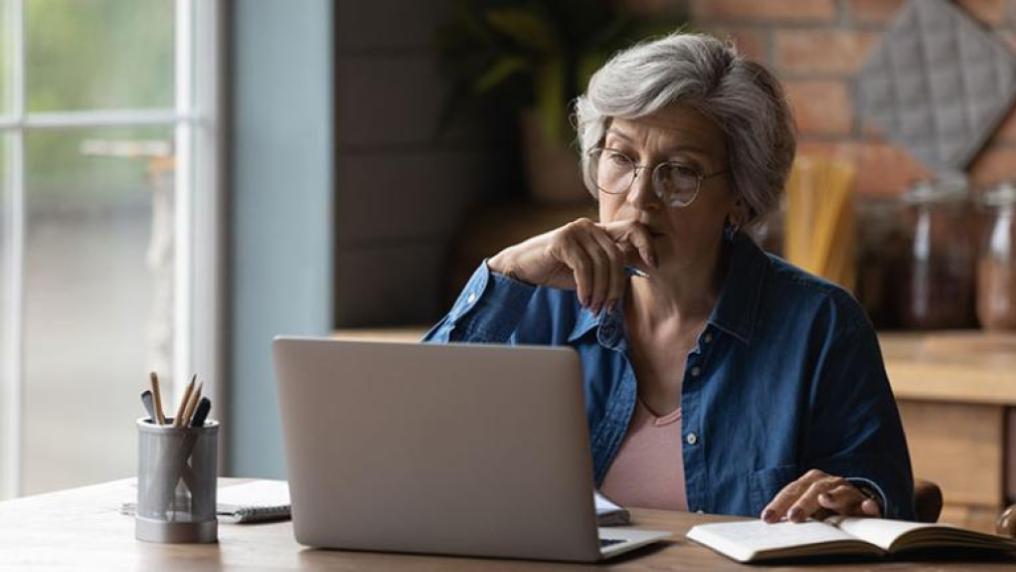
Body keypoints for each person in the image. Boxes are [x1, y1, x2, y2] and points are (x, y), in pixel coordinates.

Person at [424, 32, 915, 522]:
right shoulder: (537, 302)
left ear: (740, 199)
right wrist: (506, 270)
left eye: (680, 171)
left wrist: (851, 497)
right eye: (621, 159)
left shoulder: (821, 325)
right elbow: (417, 435)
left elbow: (878, 494)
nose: (640, 198)